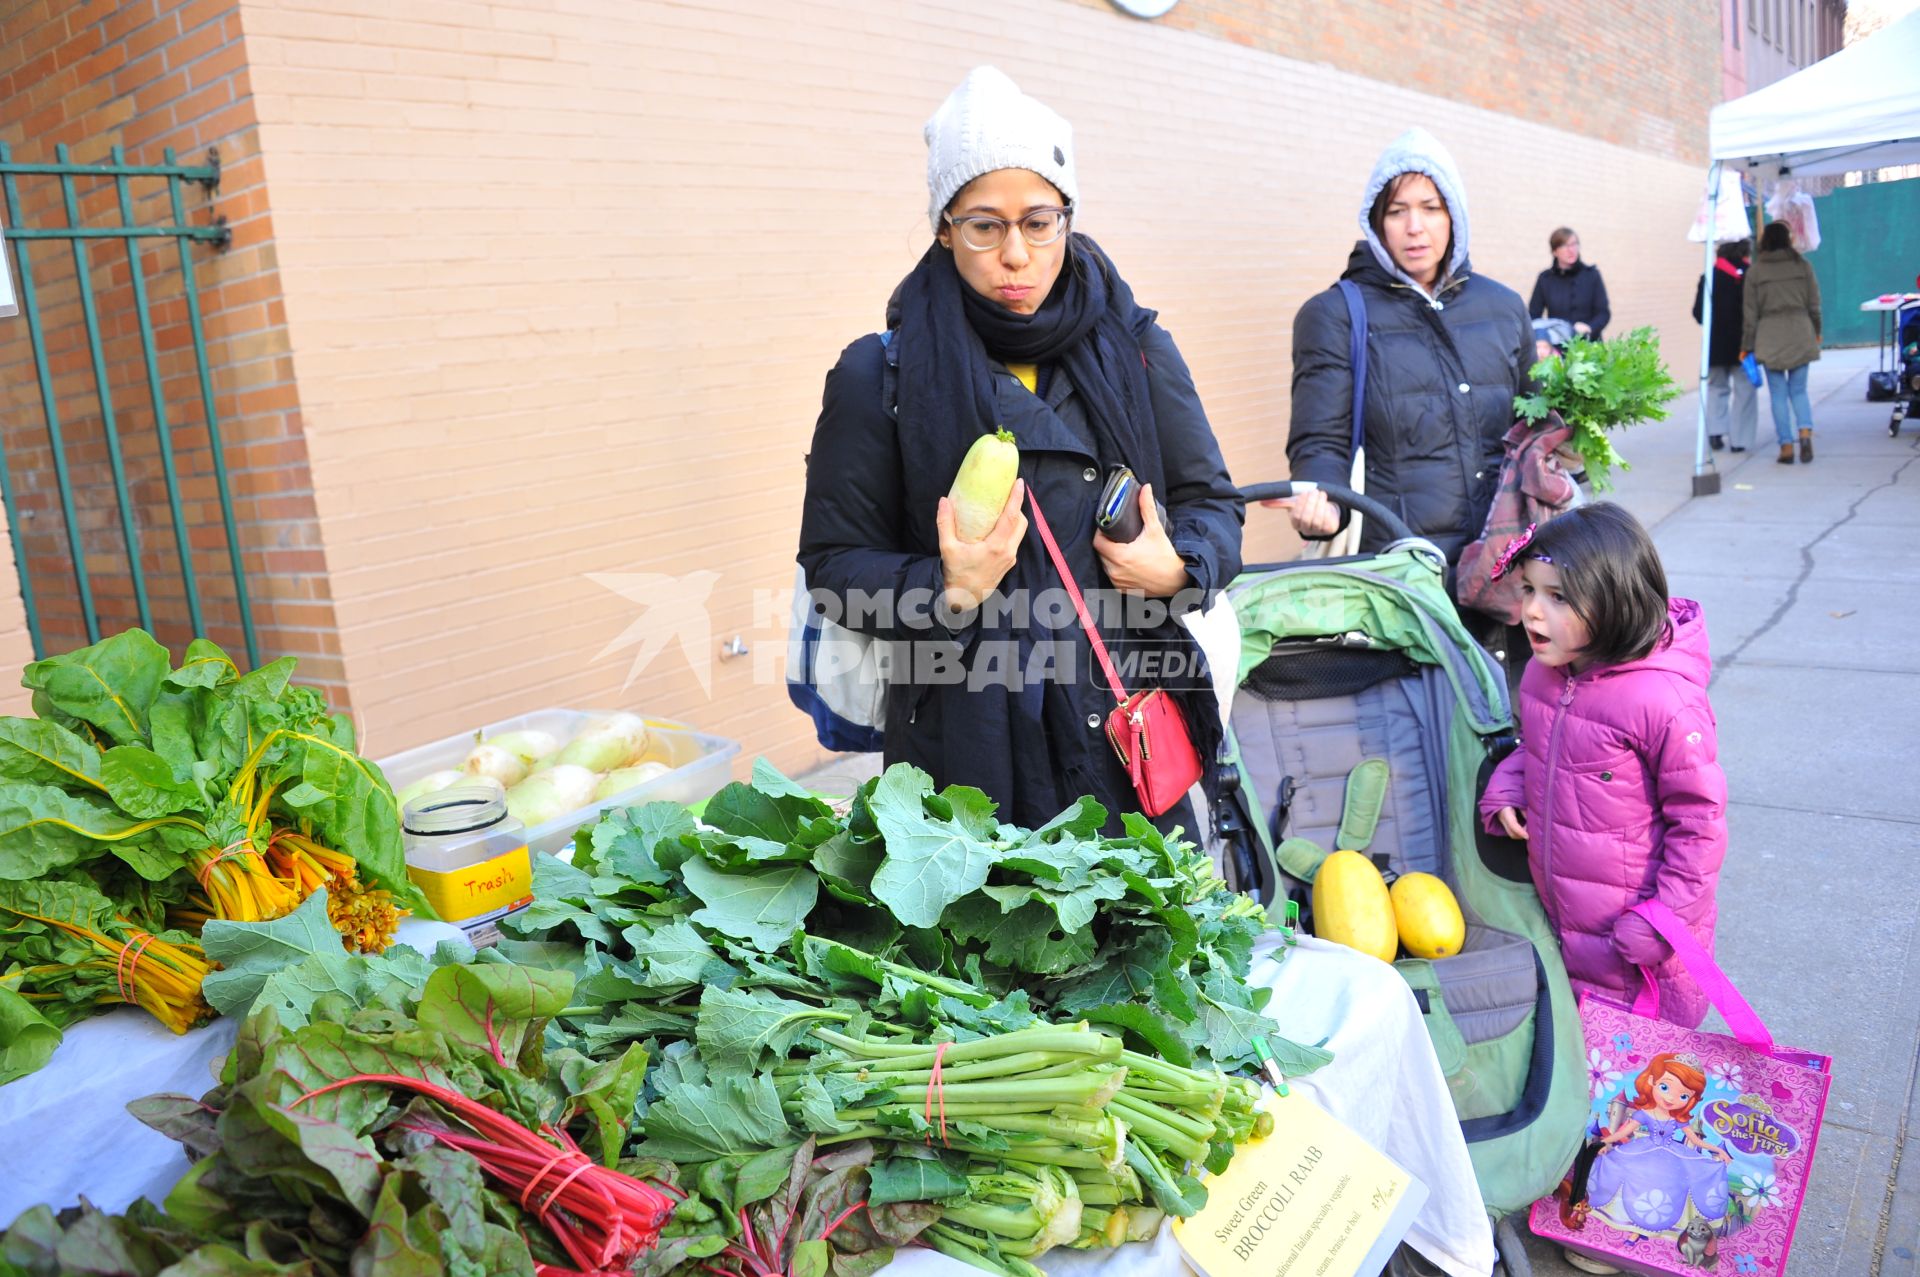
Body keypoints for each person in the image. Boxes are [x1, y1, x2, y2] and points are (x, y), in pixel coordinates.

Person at [796, 66, 1243, 834]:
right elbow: (835, 566)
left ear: (1067, 218)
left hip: (1123, 735)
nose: (1016, 255)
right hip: (962, 762)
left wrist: (1179, 569)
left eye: (1039, 222)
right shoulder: (881, 373)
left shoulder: (1133, 346)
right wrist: (948, 586)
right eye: (984, 225)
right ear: (944, 226)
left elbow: (1212, 504)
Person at [1480, 503, 1726, 1028]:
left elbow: (1700, 826)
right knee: (1581, 1067)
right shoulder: (1544, 676)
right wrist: (1507, 788)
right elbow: (1540, 747)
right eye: (1529, 590)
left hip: (1637, 946)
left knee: (1641, 1088)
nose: (1532, 611)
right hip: (1566, 922)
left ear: (1616, 600)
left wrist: (1663, 924)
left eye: (1558, 597)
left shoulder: (1662, 700)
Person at [1284, 128, 1535, 573]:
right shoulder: (1334, 315)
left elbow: (1532, 427)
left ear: (1453, 215)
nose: (1414, 227)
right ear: (1377, 221)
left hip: (1504, 562)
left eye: (1431, 209)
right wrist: (1323, 504)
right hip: (1401, 568)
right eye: (1398, 211)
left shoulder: (1504, 308)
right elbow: (1321, 439)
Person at [1743, 219, 1823, 465]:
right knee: (1799, 390)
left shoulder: (1756, 272)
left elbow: (1749, 313)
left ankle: (1786, 447)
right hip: (1800, 331)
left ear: (1764, 241)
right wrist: (1816, 331)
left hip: (1769, 335)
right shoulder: (1803, 265)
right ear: (1788, 240)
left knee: (1778, 394)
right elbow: (1814, 304)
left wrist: (1746, 346)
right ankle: (1805, 432)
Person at [1693, 240, 1758, 452]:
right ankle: (1740, 440)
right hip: (1743, 344)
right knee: (1744, 392)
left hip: (1715, 346)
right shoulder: (1750, 274)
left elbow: (1698, 313)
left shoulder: (1709, 277)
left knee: (1716, 388)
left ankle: (1715, 433)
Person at [1530, 227, 1611, 342]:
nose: (1571, 250)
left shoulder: (1592, 275)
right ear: (1554, 251)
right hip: (1559, 345)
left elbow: (1603, 313)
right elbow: (1533, 316)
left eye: (1574, 244)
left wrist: (1590, 328)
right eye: (1564, 246)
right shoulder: (1545, 279)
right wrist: (1542, 338)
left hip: (1589, 344)